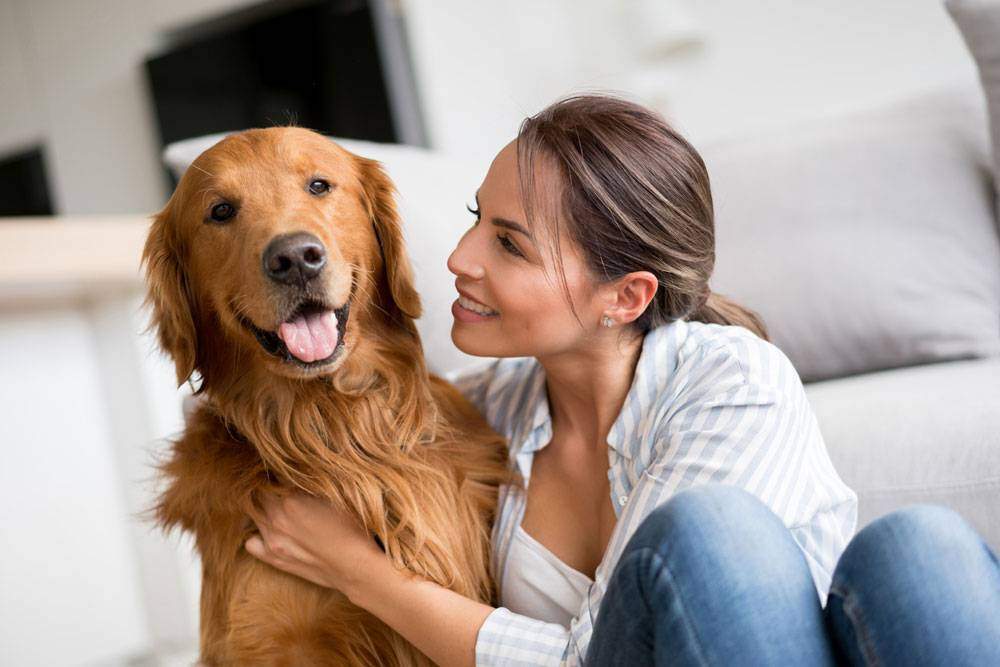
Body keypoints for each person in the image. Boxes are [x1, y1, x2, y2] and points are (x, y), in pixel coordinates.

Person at [243, 95, 1000, 666]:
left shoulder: (732, 382)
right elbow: (311, 418)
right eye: (477, 217)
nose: (459, 258)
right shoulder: (478, 412)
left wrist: (357, 569)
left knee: (913, 547)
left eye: (509, 244)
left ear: (626, 297)